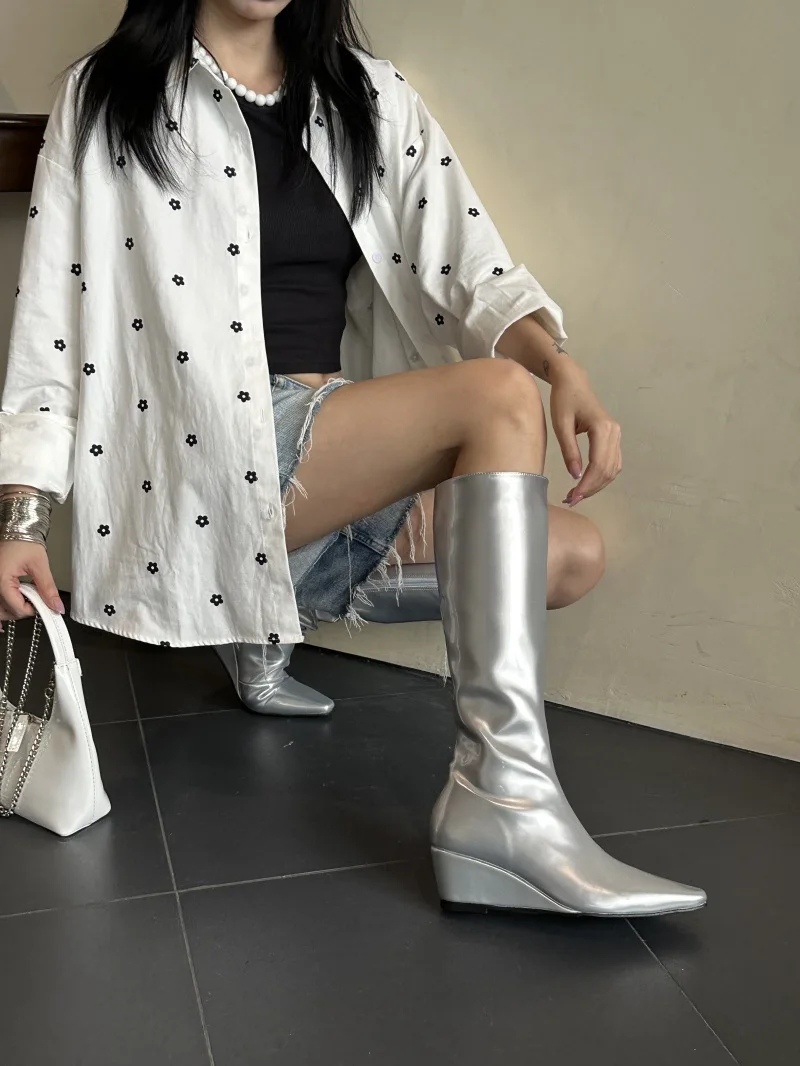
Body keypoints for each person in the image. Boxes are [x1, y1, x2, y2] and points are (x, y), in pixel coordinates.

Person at [0, 0, 705, 916]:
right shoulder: (112, 96)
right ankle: (505, 805)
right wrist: (21, 517)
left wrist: (561, 366)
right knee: (496, 398)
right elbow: (49, 324)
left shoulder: (365, 96)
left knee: (571, 556)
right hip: (203, 458)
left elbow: (468, 266)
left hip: (327, 441)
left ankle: (257, 619)